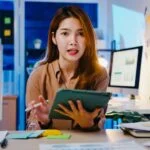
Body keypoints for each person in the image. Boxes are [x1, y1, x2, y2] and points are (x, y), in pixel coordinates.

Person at [26, 6, 109, 131]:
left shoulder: (99, 74)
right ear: (54, 38)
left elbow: (99, 124)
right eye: (65, 33)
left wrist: (88, 123)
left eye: (81, 34)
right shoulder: (38, 75)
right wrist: (44, 121)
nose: (73, 41)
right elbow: (31, 129)